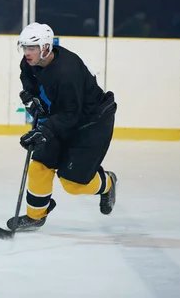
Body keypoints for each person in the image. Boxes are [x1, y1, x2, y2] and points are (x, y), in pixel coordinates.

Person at [11, 22, 118, 231]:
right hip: (62, 118)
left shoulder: (67, 71)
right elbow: (31, 84)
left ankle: (108, 183)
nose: (26, 53)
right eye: (24, 47)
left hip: (91, 123)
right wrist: (32, 100)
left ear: (46, 48)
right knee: (39, 165)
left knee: (73, 184)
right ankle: (35, 217)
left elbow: (72, 113)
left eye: (31, 48)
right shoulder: (29, 64)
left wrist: (44, 130)